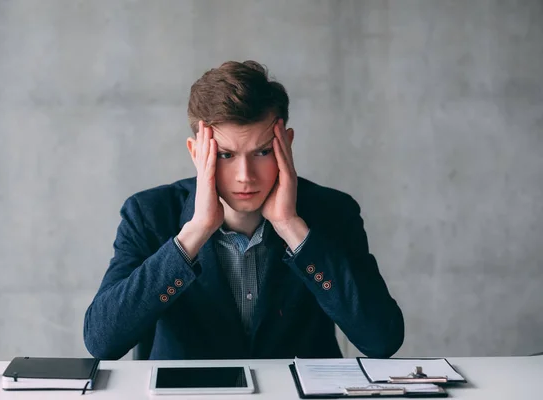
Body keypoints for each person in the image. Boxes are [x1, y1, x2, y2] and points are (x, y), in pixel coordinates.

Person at [83, 60, 404, 360]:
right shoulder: (149, 214)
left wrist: (291, 227)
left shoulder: (333, 212)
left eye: (262, 152)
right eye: (225, 155)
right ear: (196, 153)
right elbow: (102, 341)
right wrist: (193, 234)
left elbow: (382, 340)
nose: (245, 176)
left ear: (286, 145)